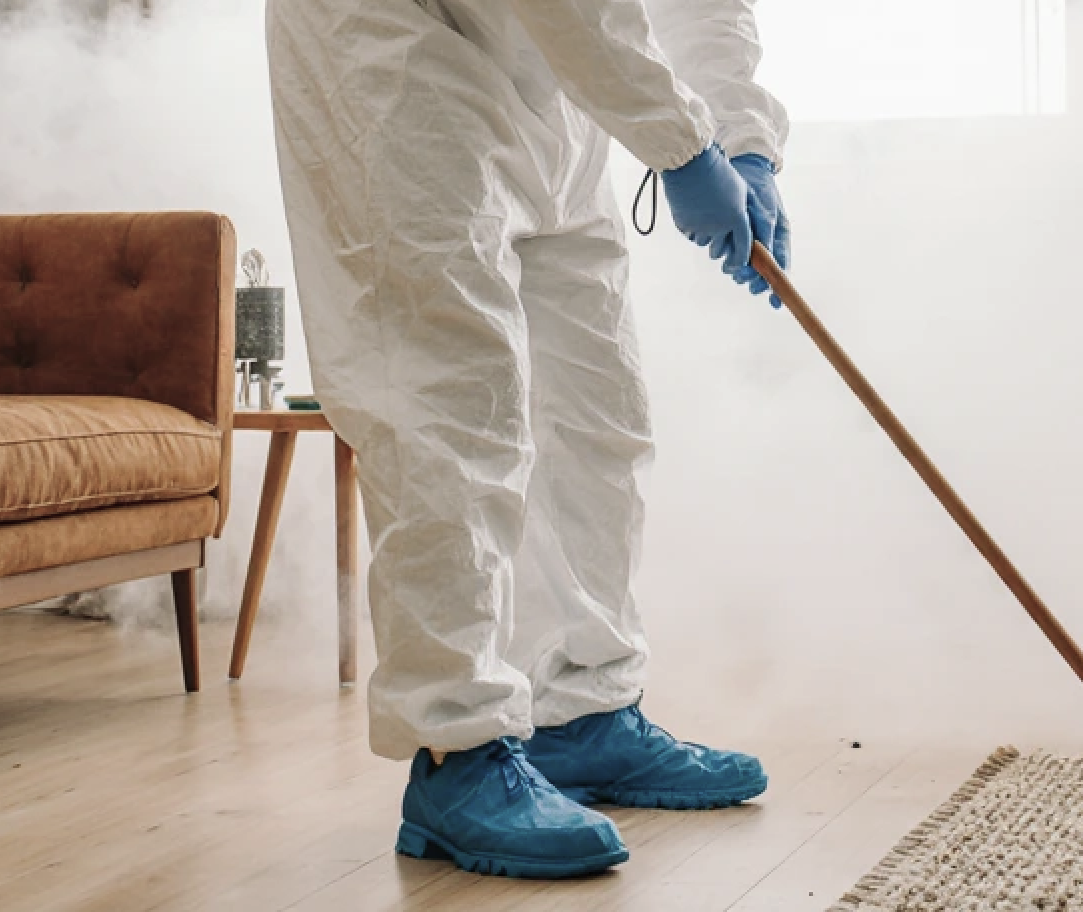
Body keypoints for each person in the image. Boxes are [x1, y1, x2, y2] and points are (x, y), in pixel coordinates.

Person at [267, 0, 791, 879]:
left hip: (551, 78)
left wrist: (742, 141)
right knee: (449, 400)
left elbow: (701, 5)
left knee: (597, 409)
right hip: (401, 48)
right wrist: (681, 144)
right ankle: (455, 749)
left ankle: (584, 712)